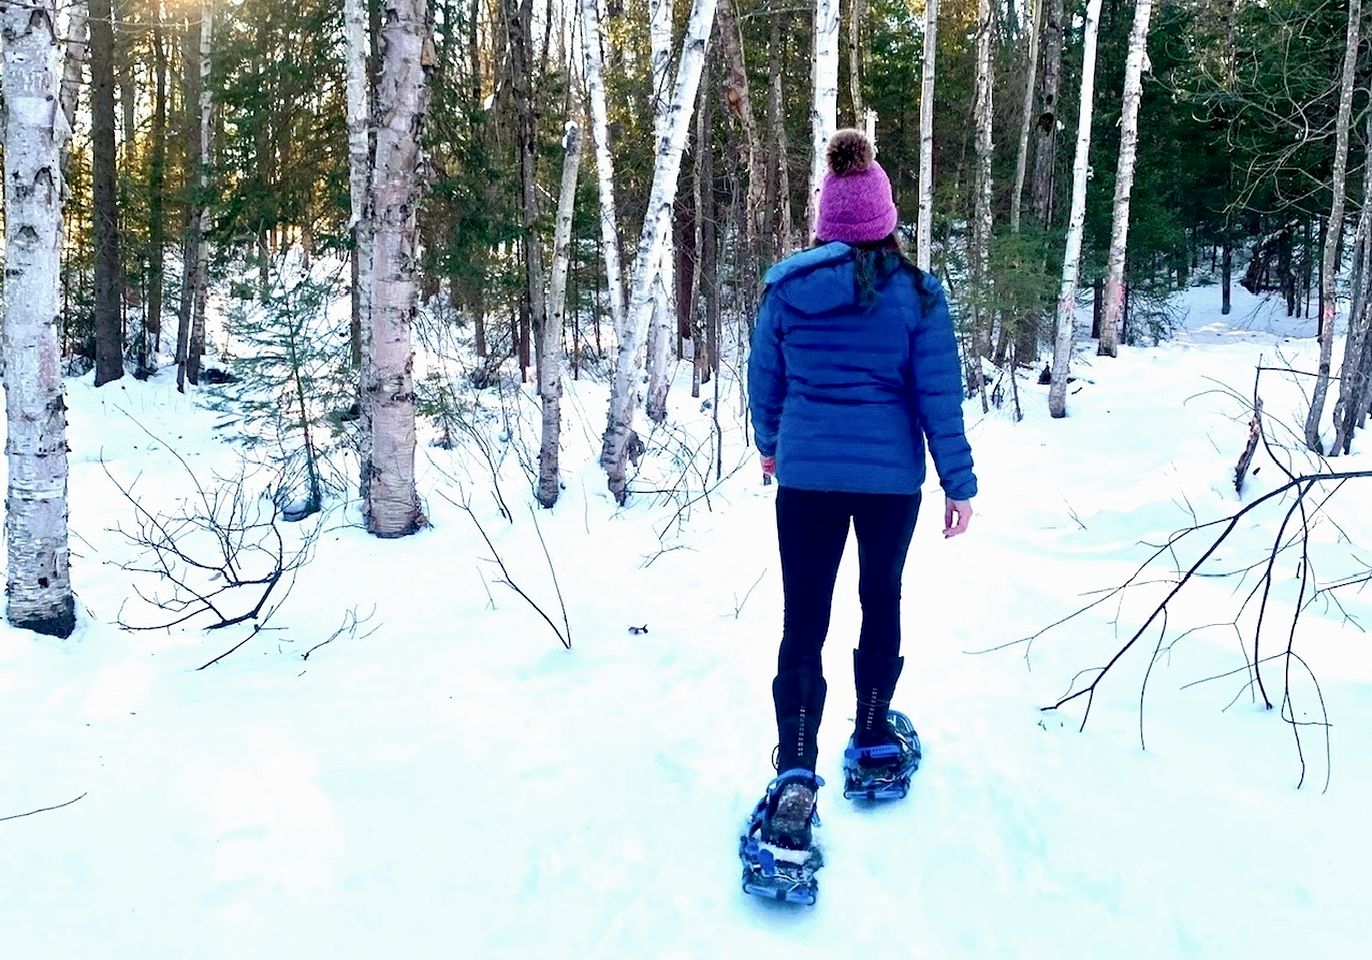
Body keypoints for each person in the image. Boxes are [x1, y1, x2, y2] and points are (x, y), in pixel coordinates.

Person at [744, 129, 977, 855]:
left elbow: (765, 380)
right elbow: (940, 395)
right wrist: (957, 482)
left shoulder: (786, 290)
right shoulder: (918, 294)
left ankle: (795, 772)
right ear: (885, 218)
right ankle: (873, 732)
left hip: (808, 477)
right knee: (882, 599)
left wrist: (773, 445)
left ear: (826, 218)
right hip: (888, 485)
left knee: (803, 616)